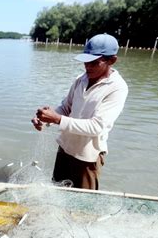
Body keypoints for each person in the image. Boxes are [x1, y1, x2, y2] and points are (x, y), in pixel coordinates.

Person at [32, 33, 128, 190]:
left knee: (83, 206)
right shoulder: (80, 79)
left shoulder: (117, 88)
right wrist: (45, 119)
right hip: (65, 148)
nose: (87, 67)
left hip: (87, 157)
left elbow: (96, 127)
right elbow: (66, 107)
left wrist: (56, 119)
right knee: (57, 194)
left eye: (94, 63)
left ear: (111, 60)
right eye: (86, 62)